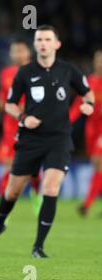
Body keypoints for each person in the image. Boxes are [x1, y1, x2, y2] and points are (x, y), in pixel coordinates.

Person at [0, 25, 95, 258]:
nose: (43, 43)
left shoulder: (69, 70)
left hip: (59, 139)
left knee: (50, 188)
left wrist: (88, 105)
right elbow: (10, 104)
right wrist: (23, 117)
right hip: (31, 139)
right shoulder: (25, 72)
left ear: (56, 44)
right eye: (39, 39)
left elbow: (87, 93)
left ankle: (38, 246)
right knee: (12, 191)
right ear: (36, 45)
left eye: (47, 39)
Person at [0, 38, 42, 215]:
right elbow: (3, 97)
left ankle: (37, 193)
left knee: (33, 169)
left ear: (28, 52)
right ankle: (3, 211)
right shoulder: (6, 73)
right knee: (9, 166)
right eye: (14, 51)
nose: (17, 54)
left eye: (20, 50)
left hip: (31, 126)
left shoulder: (37, 72)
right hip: (10, 127)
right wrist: (1, 103)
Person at [69, 49, 102, 216]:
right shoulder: (90, 82)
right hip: (92, 129)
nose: (100, 63)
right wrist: (67, 121)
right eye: (98, 59)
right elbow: (78, 105)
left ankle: (87, 205)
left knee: (98, 162)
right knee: (97, 165)